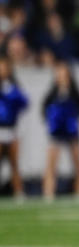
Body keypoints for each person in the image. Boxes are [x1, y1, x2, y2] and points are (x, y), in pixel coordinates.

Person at [42, 60, 79, 200]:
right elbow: (44, 109)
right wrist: (53, 122)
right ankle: (48, 193)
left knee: (78, 164)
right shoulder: (52, 93)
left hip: (72, 131)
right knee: (51, 165)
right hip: (56, 131)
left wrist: (72, 120)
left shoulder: (74, 92)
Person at [0, 56, 29, 197]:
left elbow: (24, 103)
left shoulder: (13, 87)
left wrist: (11, 94)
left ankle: (18, 191)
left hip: (11, 129)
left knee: (14, 164)